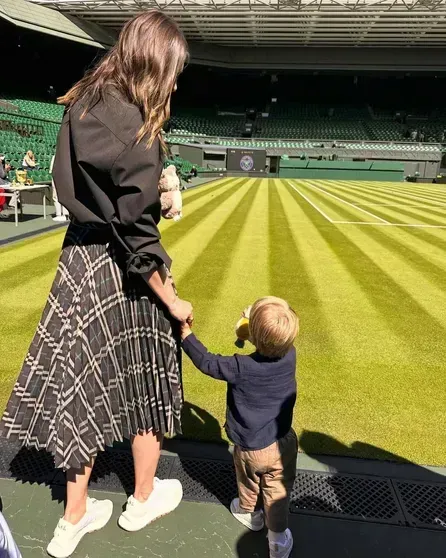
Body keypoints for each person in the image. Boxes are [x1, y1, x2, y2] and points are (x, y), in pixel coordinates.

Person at [0, 11, 191, 558]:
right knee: (148, 382)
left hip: (79, 259)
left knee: (82, 385)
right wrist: (173, 300)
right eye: (173, 71)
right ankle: (144, 497)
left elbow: (90, 192)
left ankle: (74, 517)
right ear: (155, 64)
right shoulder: (136, 127)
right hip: (125, 266)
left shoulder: (85, 98)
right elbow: (134, 230)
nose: (175, 82)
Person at [181, 297, 299, 558]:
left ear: (253, 333)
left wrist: (186, 334)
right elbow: (272, 340)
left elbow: (207, 362)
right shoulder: (290, 355)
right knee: (278, 492)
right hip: (283, 443)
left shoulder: (240, 367)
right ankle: (277, 543)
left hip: (248, 447)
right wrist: (256, 325)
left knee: (247, 481)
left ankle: (250, 513)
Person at [50, 155, 69, 222]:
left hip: (57, 176)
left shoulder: (56, 156)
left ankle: (60, 215)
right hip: (66, 176)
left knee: (56, 196)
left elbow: (52, 170)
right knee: (64, 196)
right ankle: (65, 214)